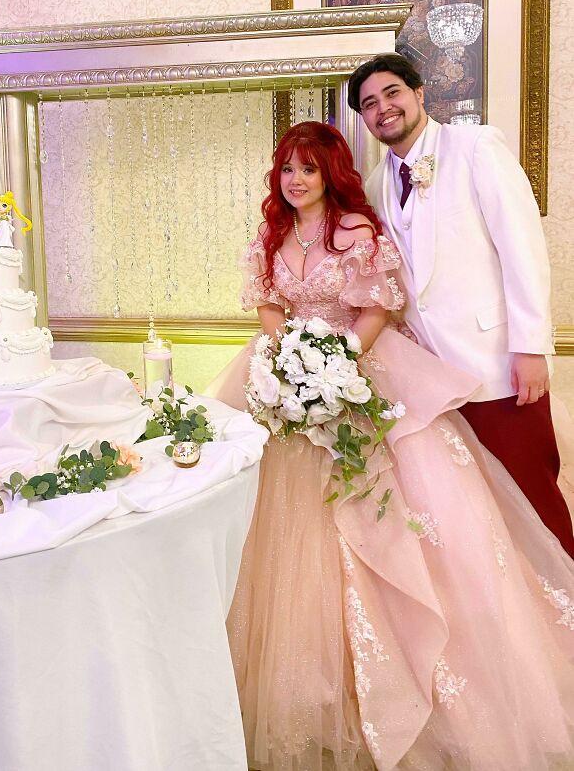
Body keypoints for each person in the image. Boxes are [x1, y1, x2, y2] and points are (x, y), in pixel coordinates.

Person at [210, 121, 574, 771]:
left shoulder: (354, 231)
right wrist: (288, 356)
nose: (295, 181)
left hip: (358, 369)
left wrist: (338, 362)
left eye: (308, 169)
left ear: (331, 175)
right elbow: (268, 302)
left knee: (394, 520)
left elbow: (378, 306)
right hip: (287, 377)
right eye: (287, 169)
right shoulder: (272, 233)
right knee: (284, 540)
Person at [347, 53, 574, 557]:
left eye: (392, 94)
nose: (383, 108)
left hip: (497, 365)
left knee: (534, 495)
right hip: (432, 382)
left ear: (419, 93)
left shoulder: (476, 147)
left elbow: (523, 249)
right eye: (369, 104)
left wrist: (532, 348)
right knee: (479, 513)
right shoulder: (375, 184)